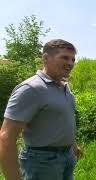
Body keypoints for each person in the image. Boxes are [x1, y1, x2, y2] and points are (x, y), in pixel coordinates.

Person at [0, 39, 82, 180]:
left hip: (67, 156)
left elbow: (59, 120)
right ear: (45, 58)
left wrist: (72, 145)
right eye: (64, 57)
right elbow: (6, 137)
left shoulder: (65, 88)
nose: (70, 63)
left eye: (73, 59)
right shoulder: (31, 89)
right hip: (41, 162)